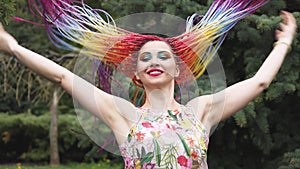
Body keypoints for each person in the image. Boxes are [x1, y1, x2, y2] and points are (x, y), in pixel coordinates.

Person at [0, 0, 297, 168]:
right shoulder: (122, 113)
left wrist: (283, 42)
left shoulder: (200, 110)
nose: (154, 61)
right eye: (145, 59)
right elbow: (63, 76)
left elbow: (260, 82)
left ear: (178, 69)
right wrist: (12, 45)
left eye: (162, 57)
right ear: (137, 74)